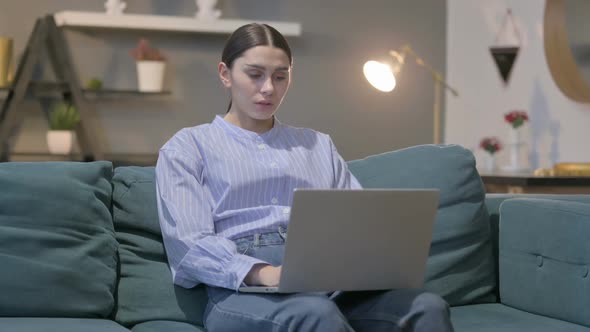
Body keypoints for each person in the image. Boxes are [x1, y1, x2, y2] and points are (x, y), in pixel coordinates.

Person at [155, 23, 454, 332]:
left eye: (280, 76)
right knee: (316, 314)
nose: (269, 87)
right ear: (225, 74)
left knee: (427, 306)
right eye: (255, 74)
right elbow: (189, 244)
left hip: (329, 282)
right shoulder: (188, 147)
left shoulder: (317, 145)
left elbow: (359, 223)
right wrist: (265, 272)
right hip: (240, 291)